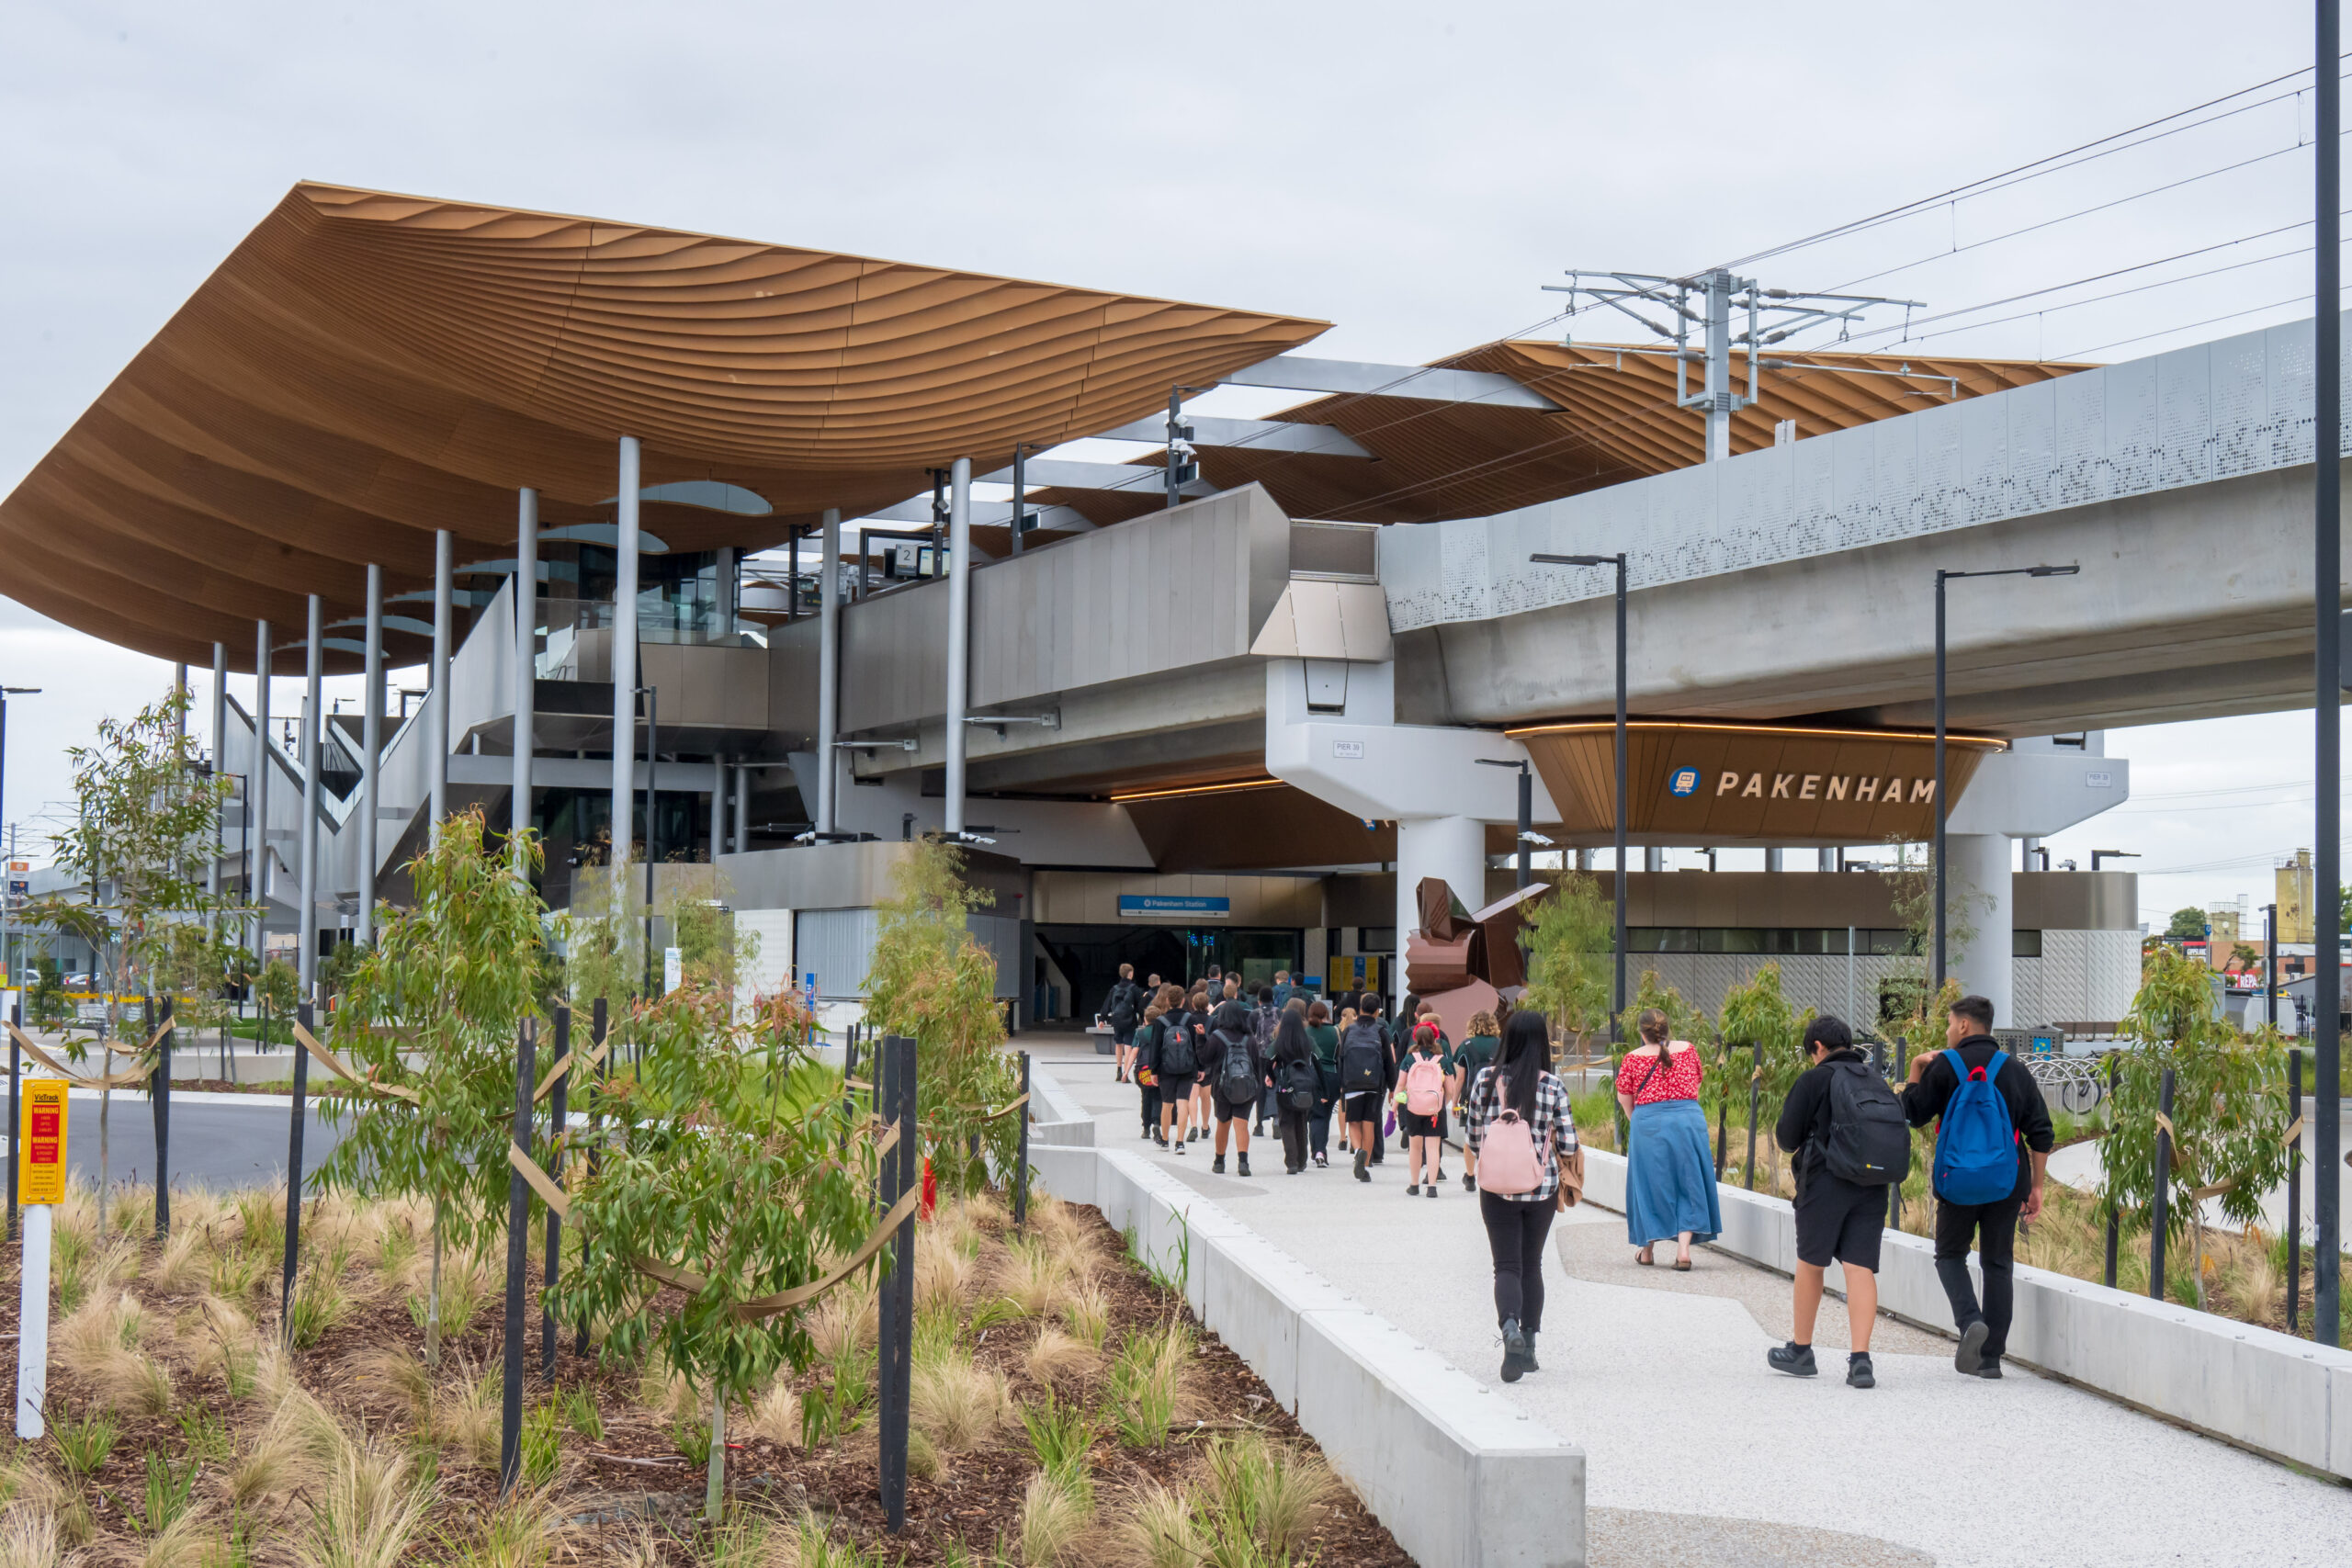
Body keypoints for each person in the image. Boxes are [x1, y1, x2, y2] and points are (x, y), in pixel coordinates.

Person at [1900, 993, 2054, 1380]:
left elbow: (1913, 1114)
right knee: (1997, 1263)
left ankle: (1970, 1320)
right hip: (2006, 1182)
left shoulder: (1945, 1066)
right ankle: (1991, 1359)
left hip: (1957, 1181)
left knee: (1950, 1255)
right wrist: (2035, 1187)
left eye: (1950, 1024)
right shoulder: (2013, 1069)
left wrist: (1916, 1067)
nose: (1948, 1032)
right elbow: (2041, 1133)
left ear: (1965, 1025)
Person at [1769, 1015, 1901, 1389]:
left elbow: (1787, 1138)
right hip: (1872, 1184)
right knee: (1860, 1268)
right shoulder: (1875, 1078)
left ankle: (1801, 1350)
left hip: (1825, 1182)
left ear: (1817, 1047)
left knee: (1811, 1263)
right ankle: (1861, 1361)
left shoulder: (1815, 1078)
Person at [1463, 1010, 1576, 1382]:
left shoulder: (1485, 1079)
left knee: (1506, 1265)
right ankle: (1527, 1347)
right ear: (1542, 1043)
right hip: (1540, 1188)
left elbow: (1473, 1138)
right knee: (1532, 1264)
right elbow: (1569, 1144)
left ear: (1507, 1039)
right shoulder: (1552, 1086)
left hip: (1496, 1189)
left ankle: (1508, 1326)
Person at [1616, 1008, 1721, 1270]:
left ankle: (1647, 1251)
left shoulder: (1632, 1058)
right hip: (1688, 1121)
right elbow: (1696, 1085)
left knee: (1649, 1185)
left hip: (1648, 1123)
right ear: (1667, 1028)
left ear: (1642, 1033)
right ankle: (1683, 1251)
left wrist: (1641, 1121)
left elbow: (1625, 1099)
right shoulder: (1688, 1050)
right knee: (1689, 1182)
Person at [1206, 998, 1267, 1177]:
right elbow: (1256, 1065)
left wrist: (1201, 1038)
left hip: (1222, 1087)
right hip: (1245, 1087)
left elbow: (1205, 1058)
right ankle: (1243, 1162)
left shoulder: (1217, 1037)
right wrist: (1256, 1088)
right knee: (1242, 1124)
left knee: (1223, 1123)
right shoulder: (1249, 1039)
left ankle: (1219, 1161)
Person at [1337, 991, 1389, 1182]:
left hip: (1352, 1083)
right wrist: (1393, 1087)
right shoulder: (1381, 1031)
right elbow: (1389, 1062)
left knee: (1353, 1122)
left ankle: (1358, 1150)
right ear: (1377, 1012)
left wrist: (1341, 1084)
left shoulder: (1349, 1030)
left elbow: (1341, 1058)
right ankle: (1365, 1166)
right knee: (1369, 1124)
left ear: (1360, 1009)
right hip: (1374, 1084)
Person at [1396, 1022, 1450, 1197]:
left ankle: (1414, 1185)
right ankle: (1432, 1187)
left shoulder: (1409, 1058)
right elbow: (1450, 1088)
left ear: (1415, 1038)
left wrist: (1395, 1106)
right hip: (1435, 1109)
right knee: (1433, 1148)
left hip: (1414, 1108)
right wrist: (1441, 1103)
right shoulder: (1442, 1060)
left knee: (1415, 1147)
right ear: (1435, 1038)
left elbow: (1400, 1085)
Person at [1452, 1010, 1500, 1191]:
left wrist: (1454, 1101)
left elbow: (1460, 1078)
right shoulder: (1501, 1044)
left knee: (1470, 1134)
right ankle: (1492, 1174)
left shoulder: (1466, 1045)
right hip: (1498, 1095)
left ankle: (1470, 1175)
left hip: (1471, 1096)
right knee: (1495, 1134)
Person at [1269, 1010, 1318, 1174]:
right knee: (1301, 1122)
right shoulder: (1308, 1041)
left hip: (1285, 1087)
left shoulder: (1278, 1042)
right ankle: (1302, 1160)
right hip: (1304, 1087)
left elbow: (1268, 1062)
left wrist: (1274, 1078)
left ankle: (1291, 1161)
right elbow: (1318, 1060)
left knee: (1286, 1122)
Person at [1306, 998, 1341, 1168]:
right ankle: (1318, 1151)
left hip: (1311, 1076)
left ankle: (1318, 1151)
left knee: (1316, 1115)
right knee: (1324, 1115)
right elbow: (1340, 1055)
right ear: (1326, 1014)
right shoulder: (1335, 1032)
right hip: (1332, 1075)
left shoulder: (1306, 1032)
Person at [1133, 990, 1168, 1144]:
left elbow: (1134, 1051)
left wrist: (1125, 1069)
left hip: (1142, 1070)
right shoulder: (1163, 1032)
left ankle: (1145, 1127)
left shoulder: (1139, 1033)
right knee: (1158, 1097)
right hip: (1159, 1068)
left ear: (1145, 1019)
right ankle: (1157, 1122)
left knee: (1145, 1097)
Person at [1104, 963, 1144, 1085]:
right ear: (1130, 974)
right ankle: (1126, 1074)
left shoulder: (1114, 988)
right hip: (1129, 1020)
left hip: (1116, 1019)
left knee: (1118, 1044)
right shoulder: (1134, 988)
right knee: (1128, 1046)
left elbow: (1107, 1003)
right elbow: (1140, 1006)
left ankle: (1119, 1070)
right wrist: (1143, 1018)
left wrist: (1102, 1019)